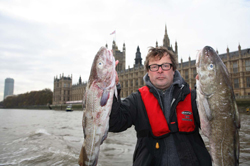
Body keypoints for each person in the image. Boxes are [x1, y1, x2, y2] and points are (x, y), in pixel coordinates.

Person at [109, 46, 212, 166]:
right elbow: (113, 123)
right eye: (154, 67)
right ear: (148, 71)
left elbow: (215, 126)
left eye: (165, 65)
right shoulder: (137, 100)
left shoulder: (194, 98)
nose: (160, 70)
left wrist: (209, 91)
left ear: (173, 69)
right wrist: (110, 88)